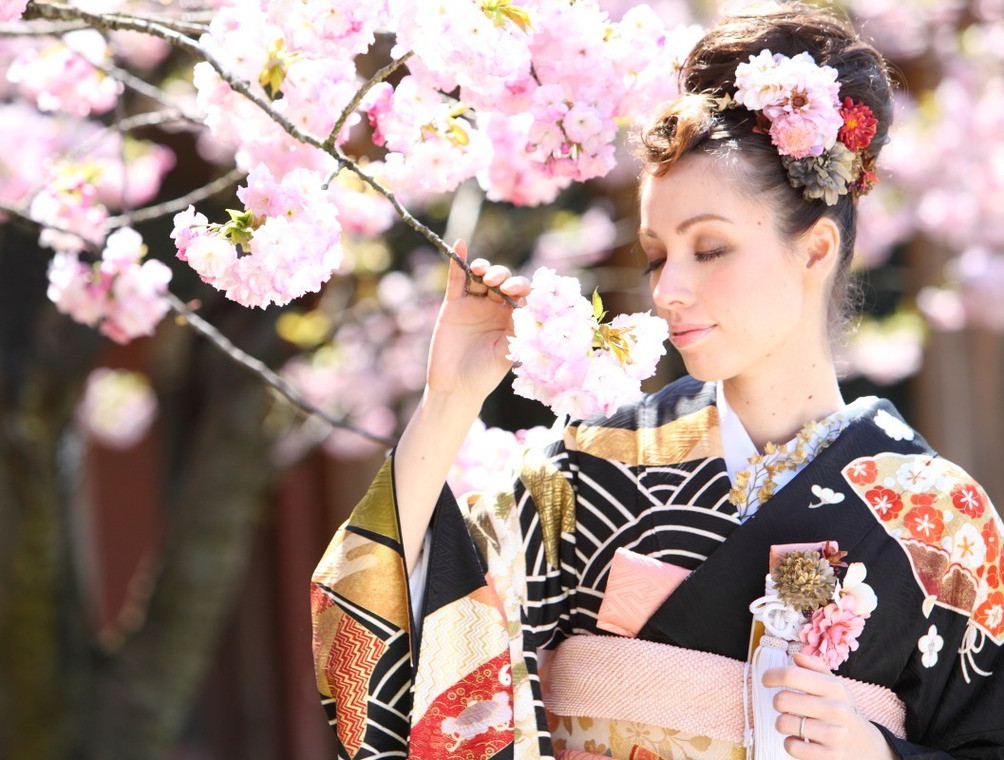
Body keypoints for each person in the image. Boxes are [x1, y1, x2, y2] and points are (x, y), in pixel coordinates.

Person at [310, 4, 1004, 759]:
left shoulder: (940, 518)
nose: (668, 289)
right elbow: (392, 644)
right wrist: (447, 402)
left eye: (709, 249)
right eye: (655, 255)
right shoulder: (587, 470)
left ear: (816, 249)